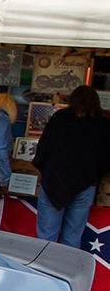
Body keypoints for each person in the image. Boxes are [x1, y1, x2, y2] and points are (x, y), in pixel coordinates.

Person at [32, 84, 108, 246]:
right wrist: (95, 176)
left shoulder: (60, 117)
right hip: (85, 183)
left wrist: (43, 170)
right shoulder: (102, 123)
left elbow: (44, 148)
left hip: (54, 182)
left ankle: (42, 271)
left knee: (46, 237)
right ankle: (66, 271)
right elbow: (105, 158)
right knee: (72, 237)